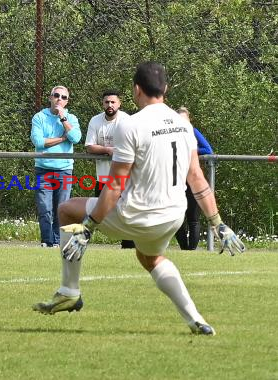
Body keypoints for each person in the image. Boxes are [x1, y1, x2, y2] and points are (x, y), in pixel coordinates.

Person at [32, 62, 245, 335]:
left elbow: (116, 184)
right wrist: (217, 223)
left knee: (67, 210)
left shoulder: (130, 125)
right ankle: (196, 320)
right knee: (151, 258)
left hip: (136, 213)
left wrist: (89, 226)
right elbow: (197, 178)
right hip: (172, 216)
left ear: (136, 90)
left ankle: (69, 291)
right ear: (165, 89)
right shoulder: (183, 124)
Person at [31, 86, 81, 247]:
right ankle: (47, 241)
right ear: (50, 97)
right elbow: (39, 143)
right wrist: (61, 139)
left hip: (64, 170)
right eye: (56, 95)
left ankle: (59, 242)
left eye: (63, 97)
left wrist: (63, 118)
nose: (59, 99)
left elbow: (75, 138)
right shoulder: (39, 117)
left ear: (67, 101)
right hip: (43, 169)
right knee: (45, 208)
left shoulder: (71, 118)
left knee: (62, 209)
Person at [85, 89, 134, 249]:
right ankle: (86, 243)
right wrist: (108, 150)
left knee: (126, 214)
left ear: (119, 103)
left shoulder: (127, 121)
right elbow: (90, 147)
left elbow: (132, 147)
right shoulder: (95, 121)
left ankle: (128, 247)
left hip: (124, 179)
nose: (110, 105)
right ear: (102, 103)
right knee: (100, 215)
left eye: (113, 102)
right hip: (103, 178)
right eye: (107, 102)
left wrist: (115, 149)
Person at [174, 107, 214, 250]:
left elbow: (208, 150)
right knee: (176, 218)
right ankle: (184, 248)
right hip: (175, 180)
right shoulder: (171, 133)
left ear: (189, 120)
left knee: (193, 217)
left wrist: (191, 150)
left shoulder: (193, 132)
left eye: (184, 120)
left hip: (192, 180)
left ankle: (191, 250)